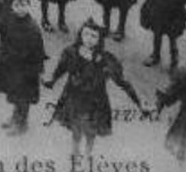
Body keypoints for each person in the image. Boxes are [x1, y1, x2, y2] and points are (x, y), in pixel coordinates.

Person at [43, 20, 144, 159]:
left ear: (99, 39)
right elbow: (61, 69)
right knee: (76, 128)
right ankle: (75, 151)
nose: (89, 39)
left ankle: (88, 153)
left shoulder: (106, 59)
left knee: (91, 131)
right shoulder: (71, 52)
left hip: (96, 102)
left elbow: (122, 82)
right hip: (74, 98)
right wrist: (52, 80)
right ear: (80, 35)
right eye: (86, 34)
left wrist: (139, 103)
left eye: (93, 36)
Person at [0, 0, 47, 134]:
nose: (21, 8)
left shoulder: (33, 27)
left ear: (29, 6)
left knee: (24, 96)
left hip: (27, 69)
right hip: (13, 65)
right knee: (15, 93)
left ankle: (22, 124)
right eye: (17, 5)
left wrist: (40, 70)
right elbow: (2, 31)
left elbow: (39, 51)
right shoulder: (10, 20)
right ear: (12, 7)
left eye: (24, 5)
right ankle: (15, 117)